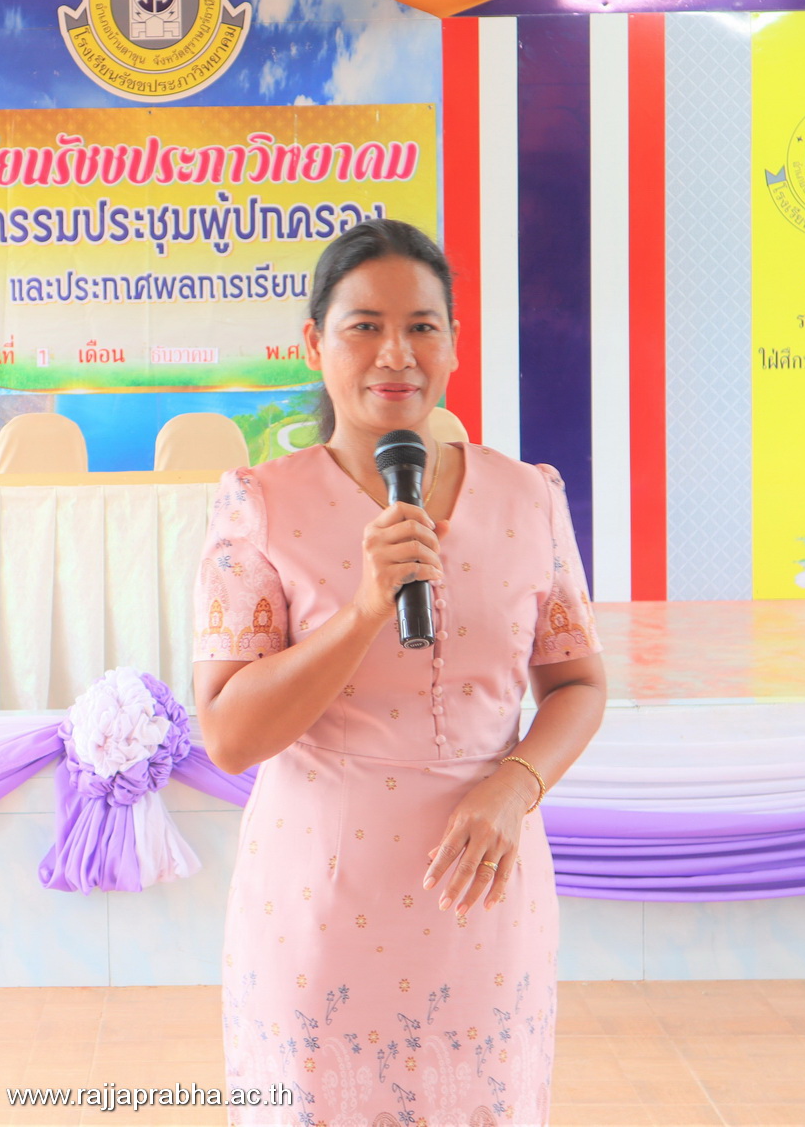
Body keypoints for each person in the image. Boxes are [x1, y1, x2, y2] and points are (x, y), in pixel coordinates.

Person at [192, 218, 607, 1126]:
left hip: (485, 907)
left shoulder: (530, 496)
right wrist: (365, 609)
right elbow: (227, 735)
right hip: (322, 907)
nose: (396, 353)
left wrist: (516, 783)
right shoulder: (260, 506)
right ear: (314, 344)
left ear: (453, 342)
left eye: (422, 325)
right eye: (364, 326)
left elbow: (579, 683)